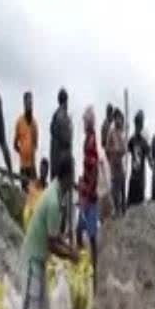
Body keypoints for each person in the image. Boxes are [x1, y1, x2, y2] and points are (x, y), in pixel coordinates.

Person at [20, 154, 81, 309]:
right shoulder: (54, 200)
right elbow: (52, 243)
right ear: (66, 176)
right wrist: (72, 255)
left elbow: (56, 239)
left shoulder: (56, 193)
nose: (73, 179)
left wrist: (69, 249)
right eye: (73, 175)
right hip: (33, 262)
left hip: (40, 261)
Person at [77, 106, 101, 279]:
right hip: (86, 192)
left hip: (90, 197)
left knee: (89, 234)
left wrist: (88, 192)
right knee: (80, 231)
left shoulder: (92, 141)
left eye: (85, 121)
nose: (83, 124)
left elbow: (94, 170)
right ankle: (86, 265)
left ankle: (93, 270)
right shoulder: (88, 140)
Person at [14, 91, 39, 191]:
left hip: (32, 166)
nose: (30, 105)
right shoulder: (19, 121)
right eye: (28, 102)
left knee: (34, 195)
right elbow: (15, 144)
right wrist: (21, 153)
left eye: (31, 102)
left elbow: (36, 144)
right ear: (24, 104)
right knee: (24, 194)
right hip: (23, 166)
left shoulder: (34, 123)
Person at [105, 108, 128, 216]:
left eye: (120, 118)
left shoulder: (122, 132)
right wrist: (113, 153)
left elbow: (125, 148)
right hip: (114, 165)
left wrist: (121, 150)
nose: (118, 120)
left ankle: (123, 211)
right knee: (115, 190)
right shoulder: (111, 132)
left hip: (121, 165)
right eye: (116, 118)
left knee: (123, 189)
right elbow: (107, 149)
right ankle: (117, 210)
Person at [127, 110, 151, 207]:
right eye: (136, 123)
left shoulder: (144, 142)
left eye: (139, 124)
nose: (137, 126)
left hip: (140, 179)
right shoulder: (132, 140)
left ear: (141, 126)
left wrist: (152, 164)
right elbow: (126, 150)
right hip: (133, 177)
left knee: (139, 205)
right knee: (130, 205)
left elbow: (149, 158)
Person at [50, 88, 72, 182]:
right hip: (62, 160)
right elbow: (66, 139)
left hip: (54, 157)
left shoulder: (55, 116)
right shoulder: (63, 116)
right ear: (66, 101)